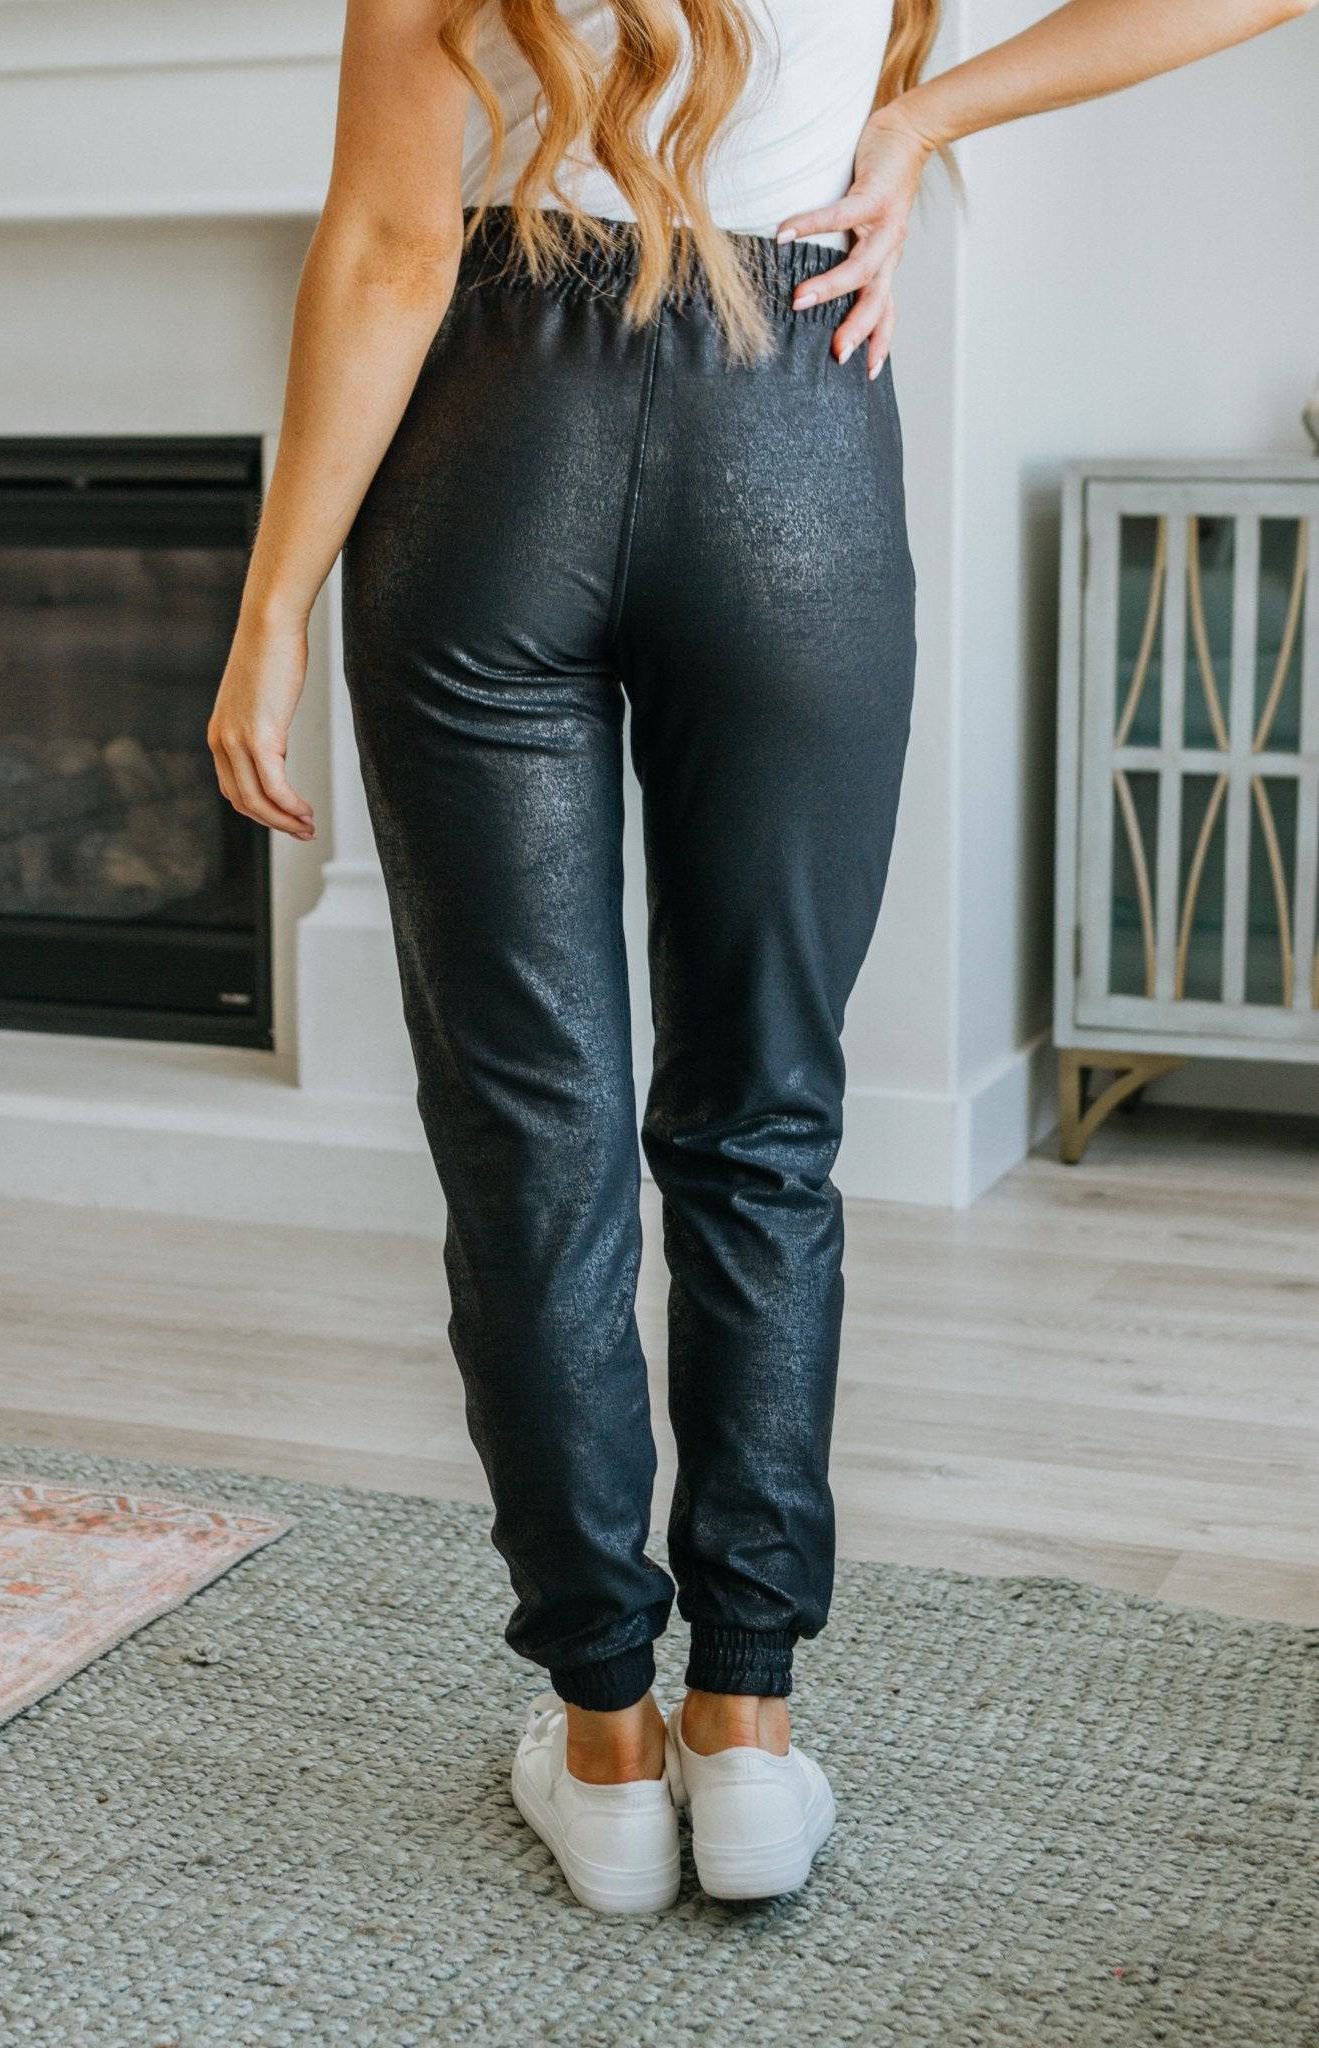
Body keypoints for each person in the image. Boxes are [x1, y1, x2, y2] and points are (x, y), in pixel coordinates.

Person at [210, 0, 1314, 1915]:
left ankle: (604, 1746)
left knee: (530, 1145)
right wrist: (921, 116)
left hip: (488, 456)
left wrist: (272, 610)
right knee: (762, 1123)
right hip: (785, 419)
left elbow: (391, 249)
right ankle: (743, 1730)